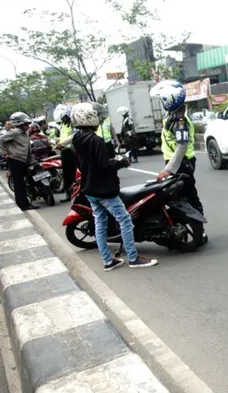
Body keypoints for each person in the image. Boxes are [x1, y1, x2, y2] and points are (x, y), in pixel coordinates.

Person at [70, 102, 158, 271]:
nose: (100, 118)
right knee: (125, 220)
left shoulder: (76, 140)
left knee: (100, 224)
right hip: (104, 190)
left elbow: (84, 165)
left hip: (89, 189)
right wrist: (122, 162)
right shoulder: (96, 141)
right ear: (90, 118)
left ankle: (108, 261)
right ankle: (133, 258)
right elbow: (104, 166)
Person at [150, 80, 207, 243]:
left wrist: (168, 169)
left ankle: (200, 232)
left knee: (189, 197)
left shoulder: (179, 121)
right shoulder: (173, 115)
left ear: (170, 100)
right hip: (177, 163)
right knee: (178, 197)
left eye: (163, 100)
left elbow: (181, 147)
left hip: (182, 164)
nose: (162, 103)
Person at [0, 112, 37, 210]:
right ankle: (23, 204)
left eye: (27, 125)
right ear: (19, 124)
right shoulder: (14, 132)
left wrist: (30, 157)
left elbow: (28, 146)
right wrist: (5, 153)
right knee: (19, 184)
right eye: (25, 125)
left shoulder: (26, 133)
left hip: (24, 160)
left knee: (28, 180)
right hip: (15, 160)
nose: (27, 127)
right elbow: (1, 140)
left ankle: (29, 200)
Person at [55, 104, 77, 203]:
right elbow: (62, 137)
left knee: (74, 174)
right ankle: (69, 193)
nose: (63, 119)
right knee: (67, 175)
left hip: (72, 151)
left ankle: (76, 193)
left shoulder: (73, 124)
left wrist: (62, 143)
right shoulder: (63, 125)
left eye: (64, 117)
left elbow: (74, 136)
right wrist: (57, 141)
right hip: (64, 152)